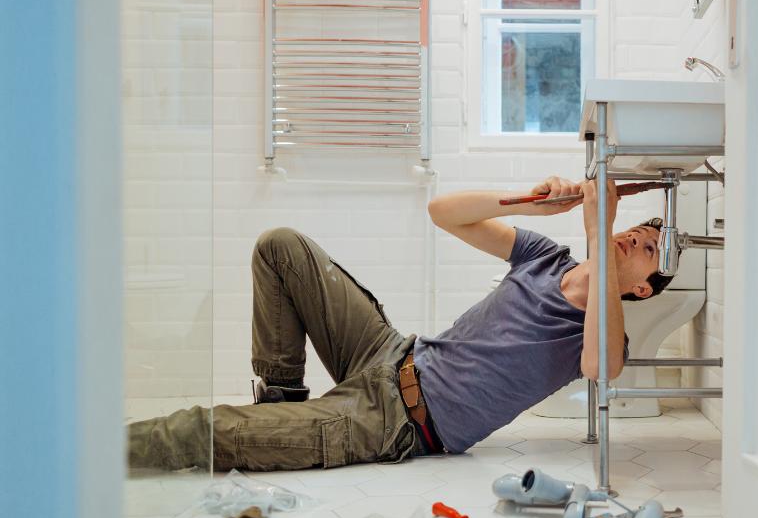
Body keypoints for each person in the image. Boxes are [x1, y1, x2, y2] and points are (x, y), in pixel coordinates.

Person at [127, 177, 673, 471]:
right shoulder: (545, 256)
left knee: (198, 429)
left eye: (649, 249)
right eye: (637, 231)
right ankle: (282, 401)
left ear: (643, 289)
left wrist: (597, 235)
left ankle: (98, 453)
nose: (634, 238)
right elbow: (442, 212)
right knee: (280, 246)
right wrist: (529, 204)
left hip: (392, 422)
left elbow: (601, 368)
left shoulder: (607, 332)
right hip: (387, 352)